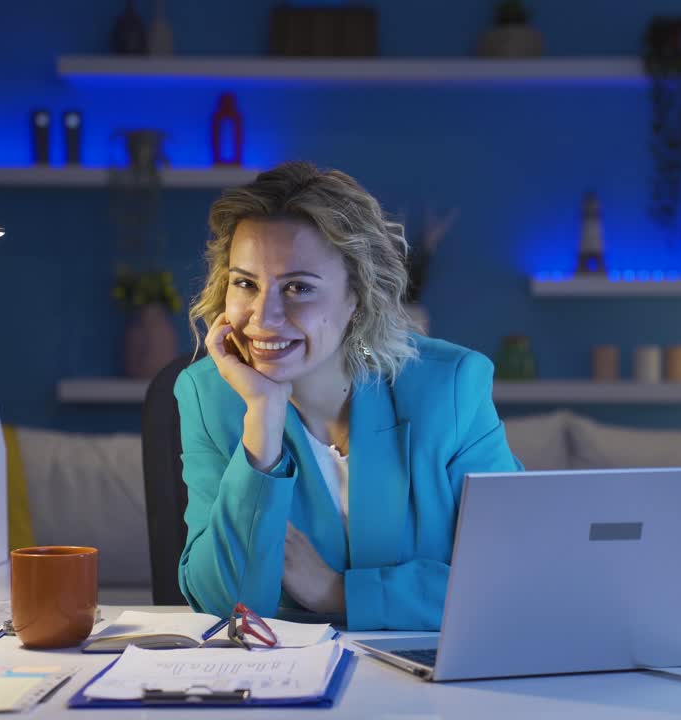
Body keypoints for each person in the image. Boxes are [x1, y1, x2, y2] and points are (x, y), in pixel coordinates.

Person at [176, 161, 521, 631]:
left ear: (357, 295)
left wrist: (335, 592)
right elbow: (223, 604)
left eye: (298, 287)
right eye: (246, 284)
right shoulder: (208, 397)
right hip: (278, 686)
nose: (264, 317)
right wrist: (263, 415)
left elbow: (512, 578)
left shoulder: (451, 386)